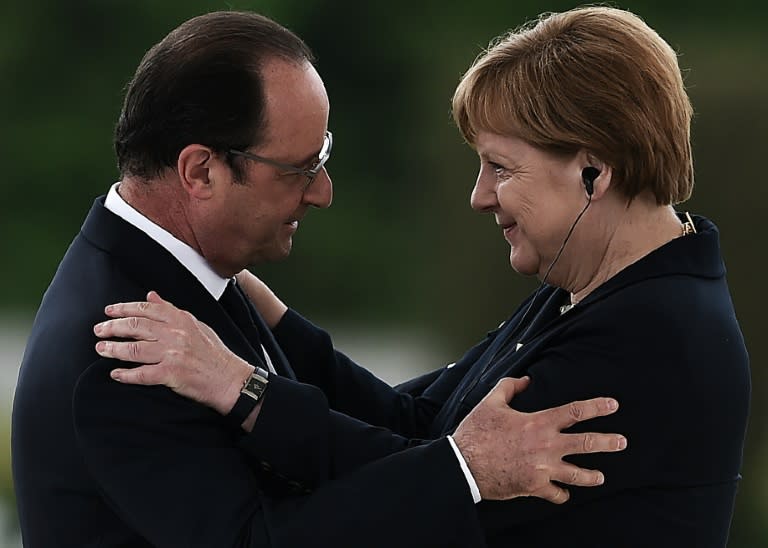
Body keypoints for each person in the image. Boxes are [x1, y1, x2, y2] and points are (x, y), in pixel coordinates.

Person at [95, 6, 751, 547]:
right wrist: (271, 318)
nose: (479, 196)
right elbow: (423, 425)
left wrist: (244, 389)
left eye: (501, 167)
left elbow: (411, 490)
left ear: (593, 171)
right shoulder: (586, 293)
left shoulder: (646, 344)